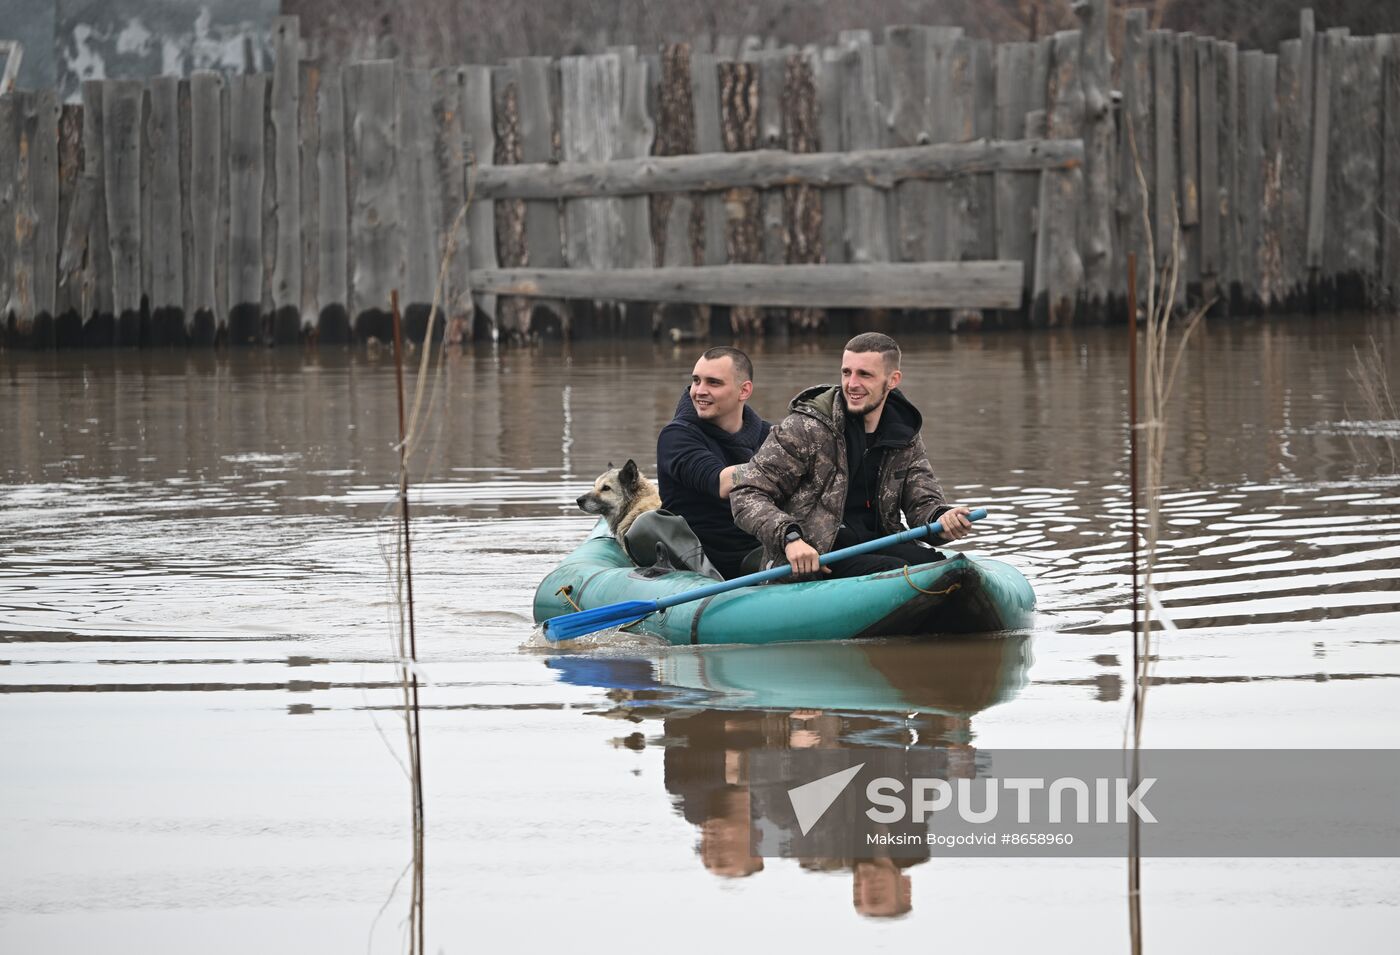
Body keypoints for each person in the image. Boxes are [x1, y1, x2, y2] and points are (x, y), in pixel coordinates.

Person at [730, 332, 974, 579]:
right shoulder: (804, 428)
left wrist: (943, 518)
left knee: (942, 565)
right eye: (847, 373)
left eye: (864, 375)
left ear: (893, 380)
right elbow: (746, 493)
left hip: (877, 544)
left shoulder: (904, 434)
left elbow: (922, 504)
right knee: (897, 573)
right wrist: (790, 538)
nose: (852, 384)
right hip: (819, 555)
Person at [655, 347, 772, 580]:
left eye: (713, 383)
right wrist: (783, 465)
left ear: (744, 390)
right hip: (709, 562)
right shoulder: (677, 436)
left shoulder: (767, 434)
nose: (699, 391)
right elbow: (720, 481)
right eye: (696, 381)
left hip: (764, 544)